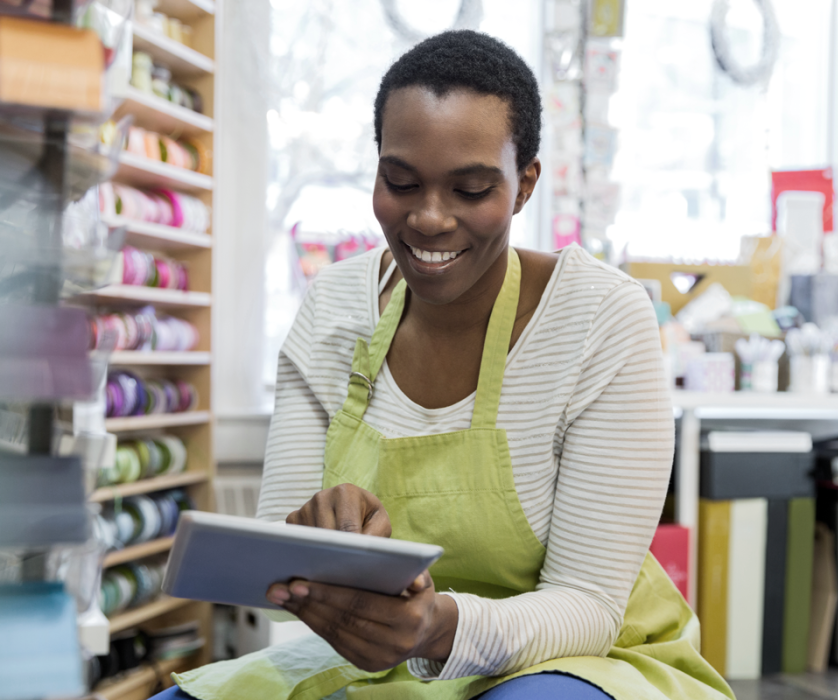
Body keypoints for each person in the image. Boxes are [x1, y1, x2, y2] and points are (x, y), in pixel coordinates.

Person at [155, 30, 733, 700]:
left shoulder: (600, 319)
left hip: (579, 659)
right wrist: (314, 532)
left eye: (471, 189)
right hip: (384, 659)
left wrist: (435, 628)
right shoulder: (336, 309)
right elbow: (273, 561)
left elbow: (585, 607)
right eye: (401, 182)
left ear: (524, 185)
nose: (429, 219)